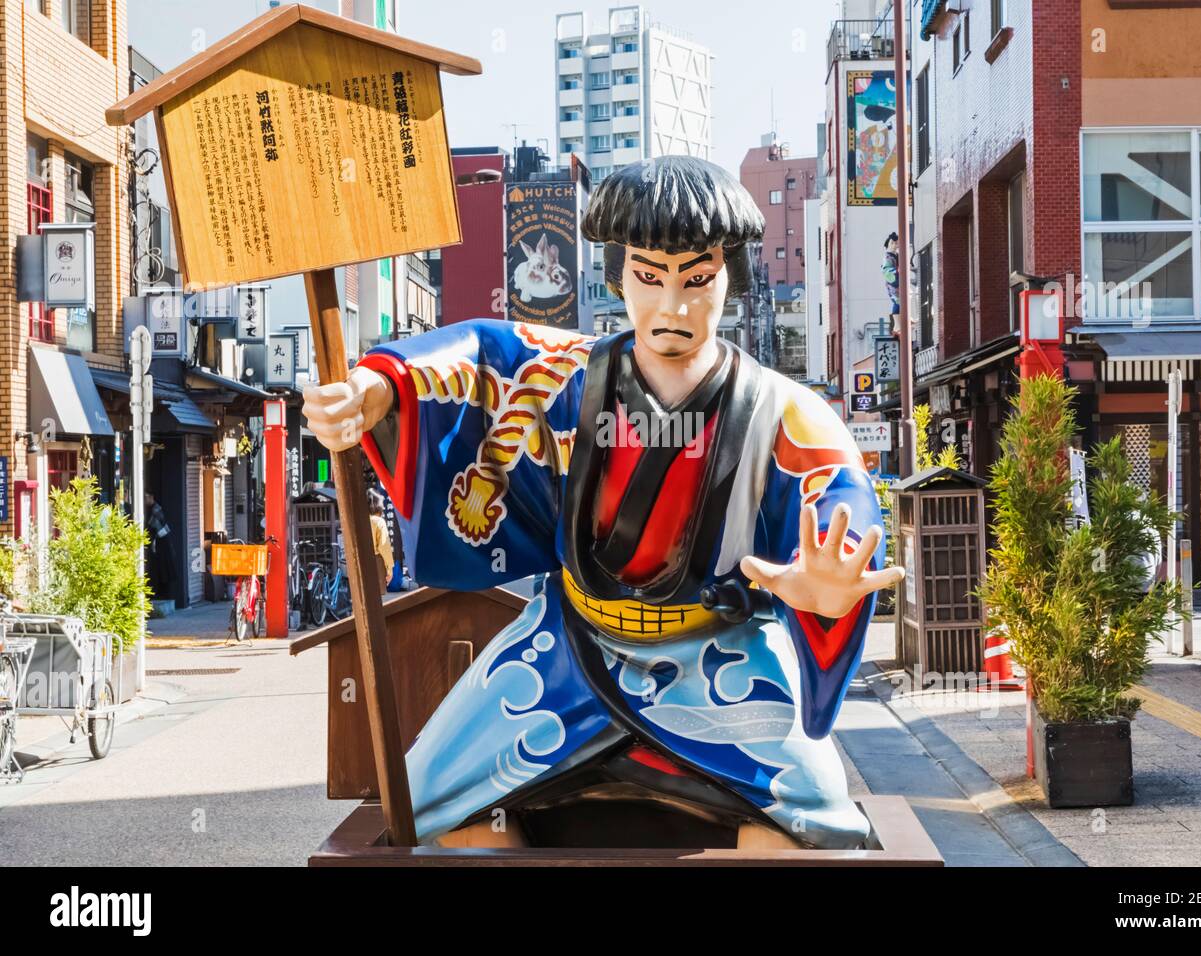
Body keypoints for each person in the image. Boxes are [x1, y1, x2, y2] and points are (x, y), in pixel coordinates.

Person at [303, 156, 904, 849]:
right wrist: (378, 390)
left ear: (727, 275)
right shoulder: (562, 375)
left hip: (719, 659)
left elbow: (837, 493)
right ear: (619, 275)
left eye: (696, 279)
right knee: (424, 810)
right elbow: (474, 357)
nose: (671, 307)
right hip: (566, 649)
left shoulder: (782, 411)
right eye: (649, 277)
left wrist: (825, 587)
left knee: (819, 828)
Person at [143, 492, 173, 601]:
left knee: (160, 569)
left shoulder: (155, 511)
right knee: (160, 570)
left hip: (161, 544)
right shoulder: (154, 509)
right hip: (159, 544)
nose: (144, 501)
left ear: (151, 497)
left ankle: (161, 593)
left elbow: (153, 528)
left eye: (146, 498)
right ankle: (160, 593)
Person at [368, 488, 394, 589]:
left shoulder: (361, 519)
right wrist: (389, 568)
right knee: (377, 597)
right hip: (376, 562)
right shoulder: (379, 521)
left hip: (361, 561)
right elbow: (384, 546)